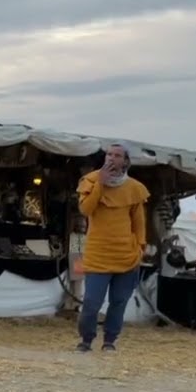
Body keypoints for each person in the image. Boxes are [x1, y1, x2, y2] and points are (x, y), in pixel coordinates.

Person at [75, 144, 150, 352]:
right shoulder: (90, 181)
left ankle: (109, 341)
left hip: (126, 255)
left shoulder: (134, 188)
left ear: (125, 161)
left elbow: (139, 223)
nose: (111, 158)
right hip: (98, 254)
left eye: (117, 155)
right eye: (109, 154)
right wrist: (100, 184)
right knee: (91, 303)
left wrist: (140, 248)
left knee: (119, 302)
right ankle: (86, 340)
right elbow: (86, 209)